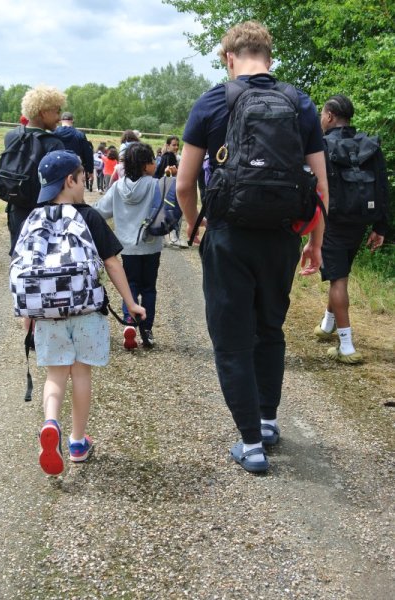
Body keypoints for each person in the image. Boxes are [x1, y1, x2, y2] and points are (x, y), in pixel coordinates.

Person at [176, 21, 328, 474]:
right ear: (270, 57)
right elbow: (322, 188)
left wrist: (196, 226)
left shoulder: (211, 102)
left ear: (229, 58)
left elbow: (184, 184)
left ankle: (251, 445)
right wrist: (315, 242)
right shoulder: (300, 103)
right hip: (281, 238)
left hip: (228, 236)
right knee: (270, 330)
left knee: (231, 340)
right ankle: (267, 421)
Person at [28, 150, 146, 476]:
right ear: (71, 180)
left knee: (55, 376)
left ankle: (50, 423)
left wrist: (28, 318)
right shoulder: (88, 216)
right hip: (86, 310)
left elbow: (27, 274)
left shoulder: (34, 219)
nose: (84, 184)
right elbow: (112, 263)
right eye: (82, 179)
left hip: (47, 314)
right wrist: (131, 303)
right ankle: (78, 443)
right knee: (80, 375)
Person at [314, 94, 389, 364]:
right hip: (360, 221)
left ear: (330, 116)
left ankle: (346, 346)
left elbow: (314, 187)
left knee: (338, 280)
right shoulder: (369, 145)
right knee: (340, 272)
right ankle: (327, 324)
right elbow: (382, 186)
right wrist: (381, 227)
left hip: (332, 223)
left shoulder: (322, 146)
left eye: (322, 114)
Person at [93, 142, 162, 349]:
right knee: (148, 288)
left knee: (130, 284)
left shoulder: (118, 187)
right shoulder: (155, 185)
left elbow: (100, 211)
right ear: (145, 165)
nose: (155, 164)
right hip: (151, 245)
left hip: (127, 247)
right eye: (152, 160)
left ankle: (129, 321)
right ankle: (147, 330)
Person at [1, 85, 66, 246]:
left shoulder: (11, 136)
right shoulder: (54, 144)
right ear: (43, 112)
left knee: (18, 252)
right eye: (57, 111)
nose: (59, 117)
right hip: (42, 213)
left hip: (15, 208)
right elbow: (61, 187)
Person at [154, 136, 187, 248]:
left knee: (163, 214)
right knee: (175, 213)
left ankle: (163, 238)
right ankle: (174, 238)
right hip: (170, 190)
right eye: (174, 145)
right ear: (168, 145)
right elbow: (168, 174)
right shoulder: (170, 157)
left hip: (162, 189)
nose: (176, 147)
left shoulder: (164, 156)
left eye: (178, 145)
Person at [55, 111, 94, 187]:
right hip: (75, 168)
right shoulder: (80, 135)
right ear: (72, 121)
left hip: (58, 167)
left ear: (61, 121)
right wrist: (90, 171)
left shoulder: (54, 134)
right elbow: (88, 154)